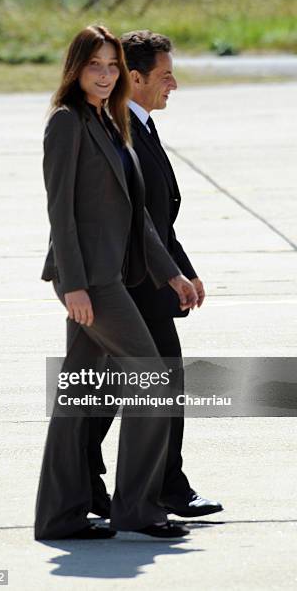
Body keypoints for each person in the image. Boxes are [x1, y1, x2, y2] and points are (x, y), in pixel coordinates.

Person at [34, 25, 198, 541]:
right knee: (153, 382)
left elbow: (136, 216)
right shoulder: (66, 123)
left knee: (76, 400)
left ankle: (60, 516)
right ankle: (138, 507)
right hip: (91, 281)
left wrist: (169, 271)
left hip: (110, 276)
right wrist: (75, 285)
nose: (105, 76)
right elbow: (59, 212)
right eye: (95, 66)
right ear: (76, 69)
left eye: (111, 66)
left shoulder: (109, 120)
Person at [119, 29, 223, 517]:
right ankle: (165, 486)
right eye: (165, 76)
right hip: (133, 284)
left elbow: (162, 214)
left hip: (150, 278)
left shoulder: (142, 125)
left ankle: (97, 485)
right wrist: (171, 275)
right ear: (134, 78)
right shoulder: (121, 129)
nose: (174, 85)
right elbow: (135, 217)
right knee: (160, 383)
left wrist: (187, 270)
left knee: (117, 392)